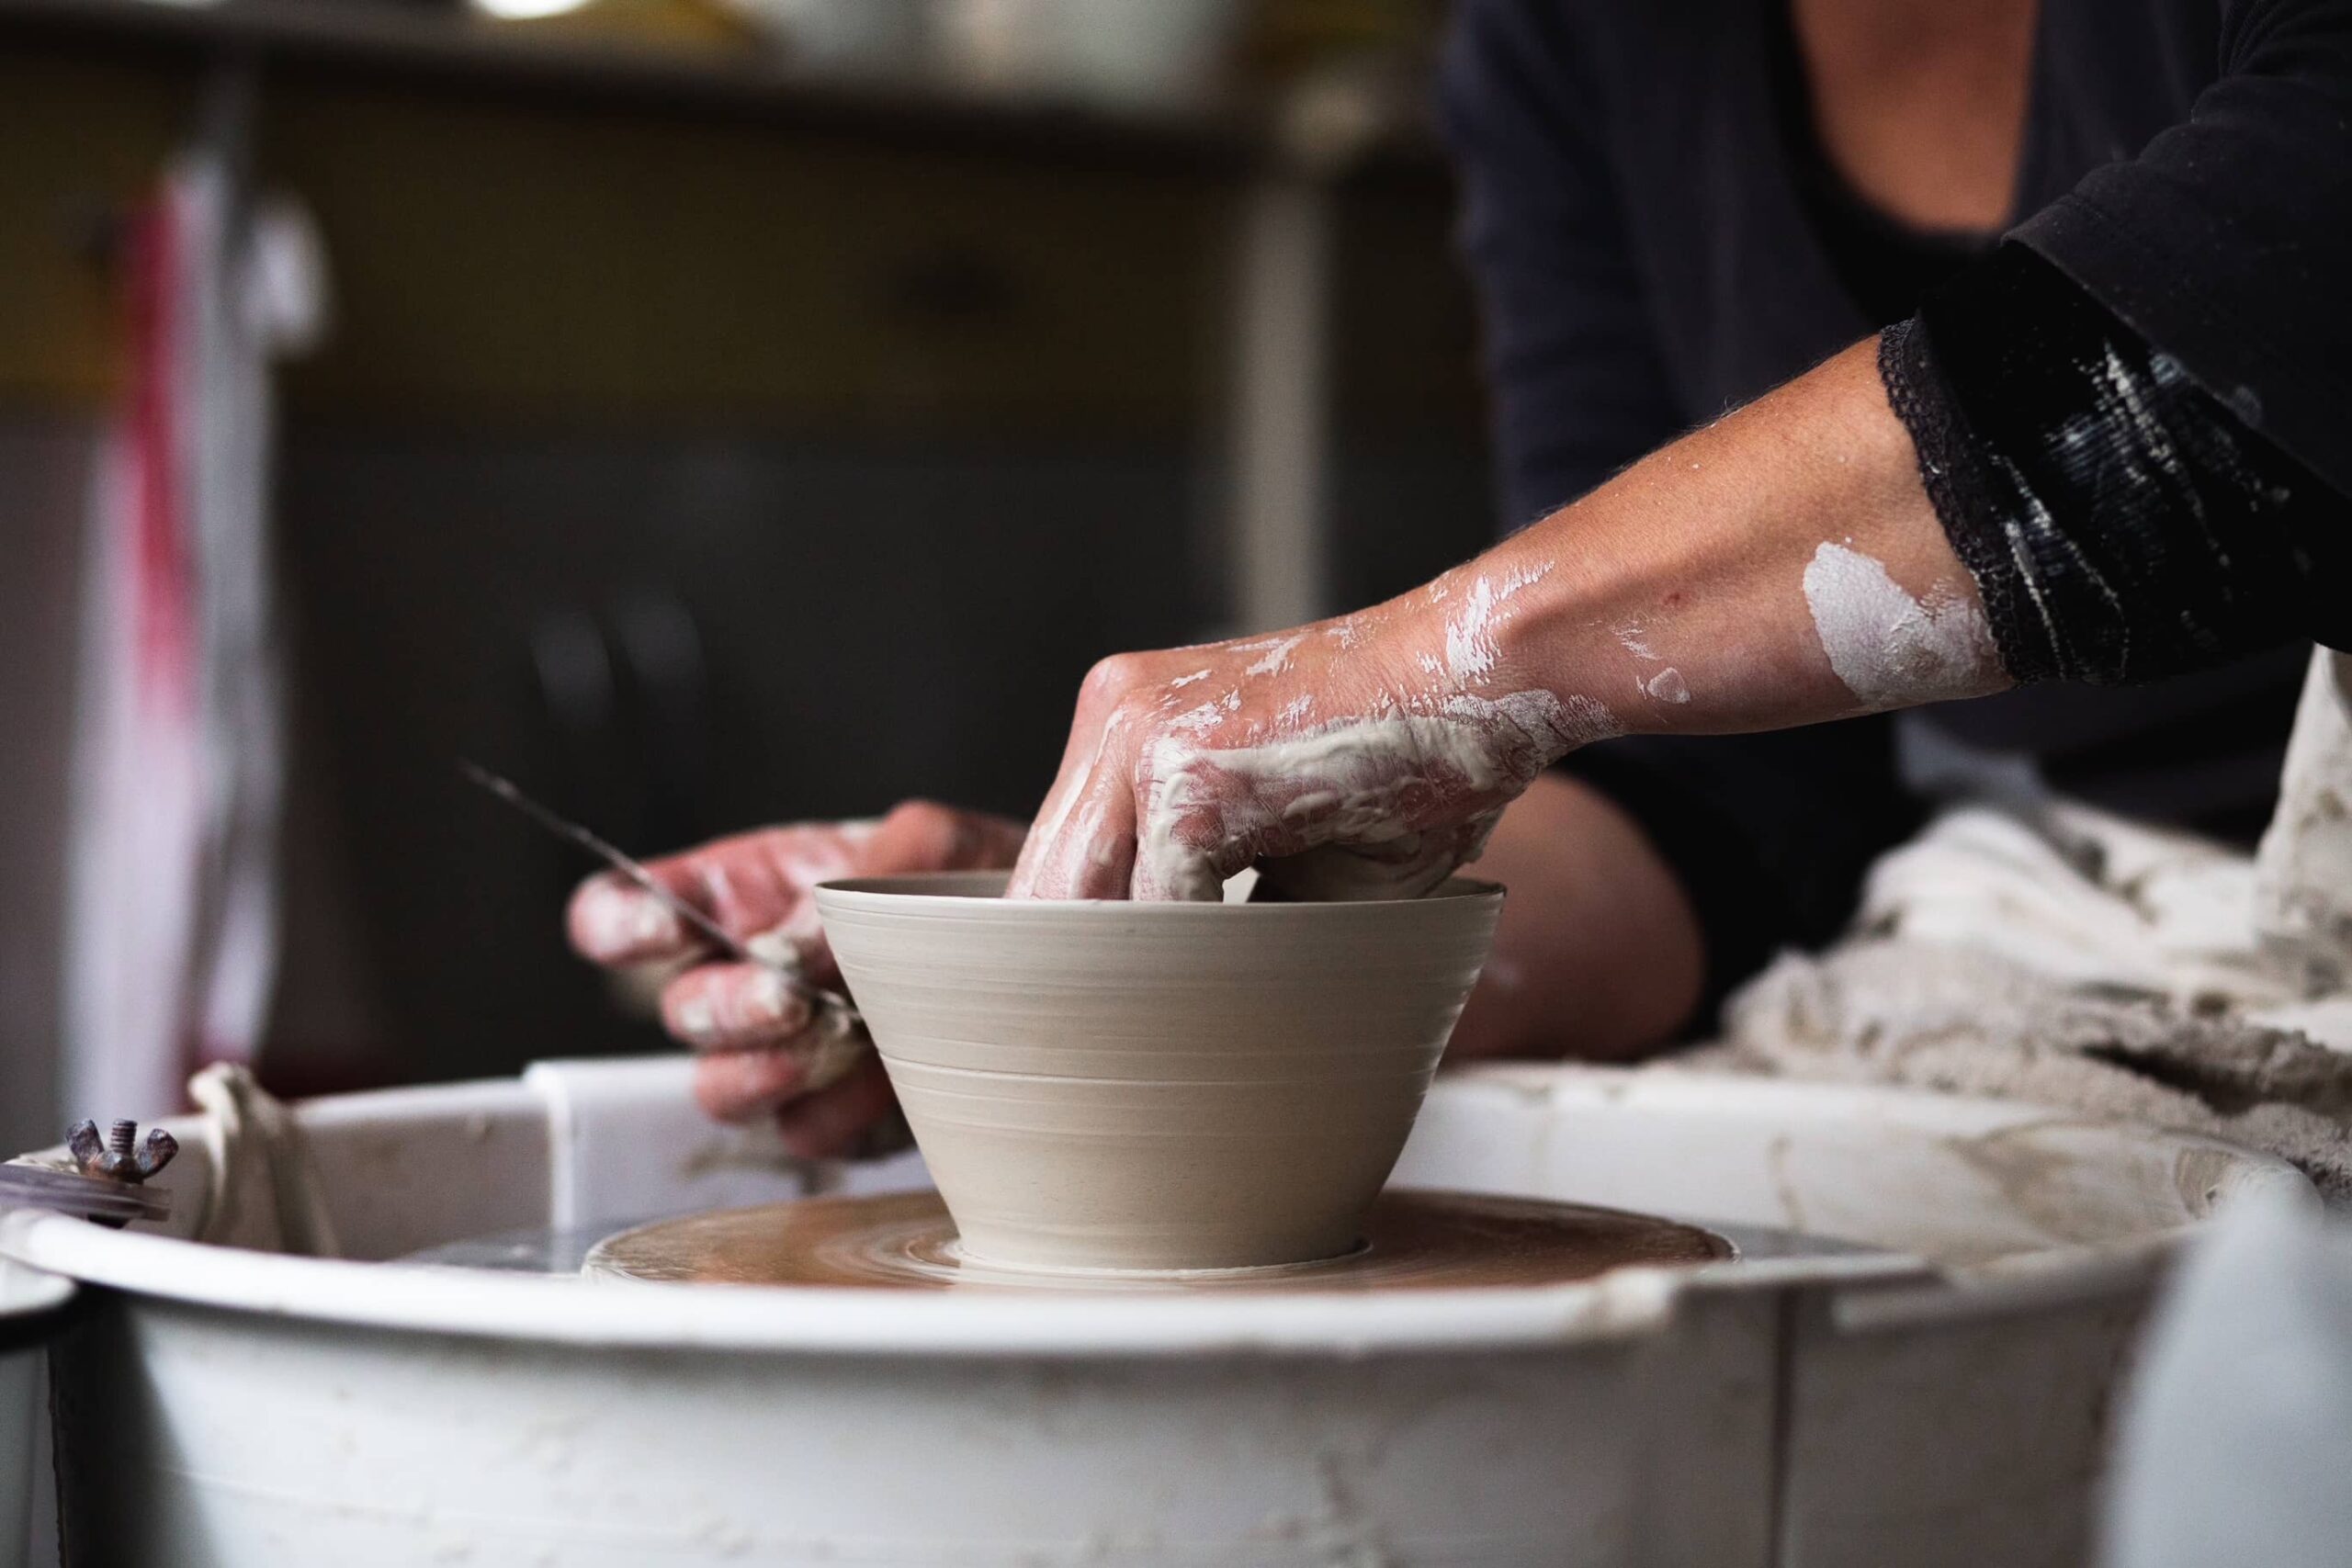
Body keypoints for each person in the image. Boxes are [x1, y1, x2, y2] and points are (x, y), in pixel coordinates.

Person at [570, 0, 2351, 1157]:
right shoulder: (1566, 46)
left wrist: (1448, 655)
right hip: (2028, 923)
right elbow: (1720, 795)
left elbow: (2274, 285)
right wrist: (1154, 936)